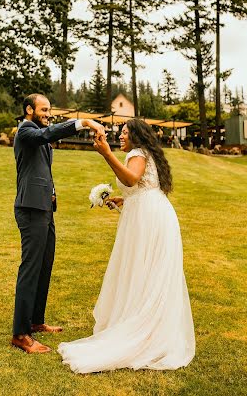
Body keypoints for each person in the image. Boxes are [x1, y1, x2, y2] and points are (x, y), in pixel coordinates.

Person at [58, 118, 195, 372]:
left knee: (143, 270)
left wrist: (107, 154)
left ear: (137, 136)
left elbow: (132, 179)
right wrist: (124, 200)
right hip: (154, 215)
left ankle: (144, 329)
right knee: (147, 272)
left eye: (124, 132)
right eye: (119, 132)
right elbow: (142, 187)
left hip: (150, 219)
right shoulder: (145, 153)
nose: (120, 136)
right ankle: (151, 325)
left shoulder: (136, 153)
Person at [12, 93, 105, 354]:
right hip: (30, 209)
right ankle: (20, 333)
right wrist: (84, 122)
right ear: (29, 109)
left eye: (49, 110)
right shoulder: (26, 130)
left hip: (44, 208)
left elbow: (42, 167)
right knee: (31, 267)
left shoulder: (39, 133)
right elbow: (47, 134)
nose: (48, 114)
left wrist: (51, 191)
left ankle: (36, 321)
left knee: (45, 264)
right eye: (43, 109)